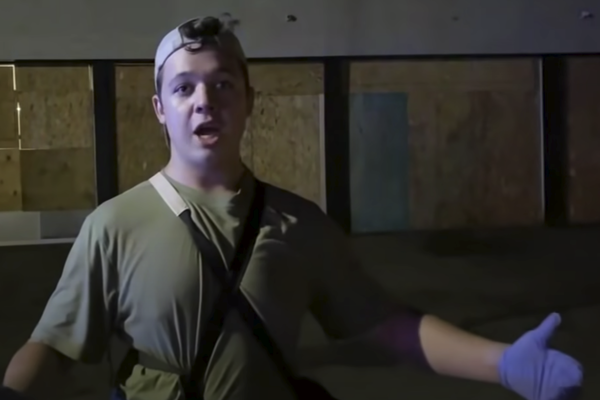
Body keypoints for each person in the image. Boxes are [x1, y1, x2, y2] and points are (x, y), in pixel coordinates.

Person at [1, 15, 582, 400]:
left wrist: (504, 363)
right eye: (183, 88)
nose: (204, 101)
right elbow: (53, 346)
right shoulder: (114, 226)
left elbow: (388, 327)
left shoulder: (300, 225)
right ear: (160, 108)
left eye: (222, 85)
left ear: (249, 100)